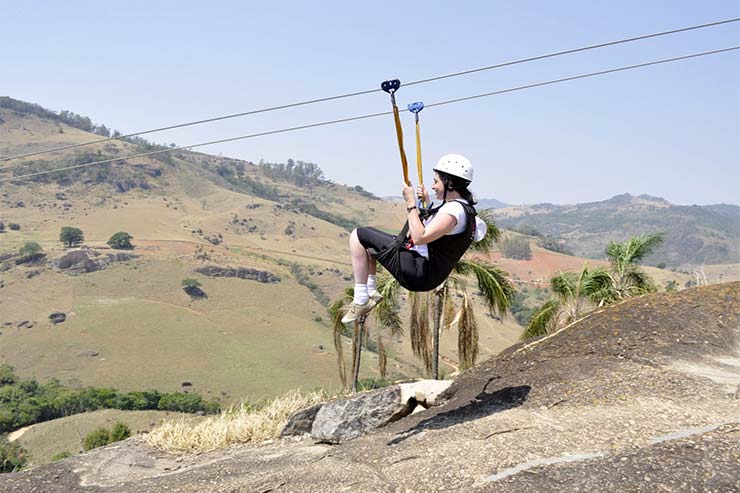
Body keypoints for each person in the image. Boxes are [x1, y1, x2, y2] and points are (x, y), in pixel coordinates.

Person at [342, 154, 487, 323]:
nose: (433, 186)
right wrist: (425, 202)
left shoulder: (453, 211)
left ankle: (361, 299)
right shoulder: (465, 210)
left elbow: (420, 237)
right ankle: (370, 292)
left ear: (449, 183)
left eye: (436, 182)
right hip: (426, 274)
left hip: (419, 271)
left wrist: (410, 202)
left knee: (358, 235)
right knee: (369, 246)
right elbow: (436, 231)